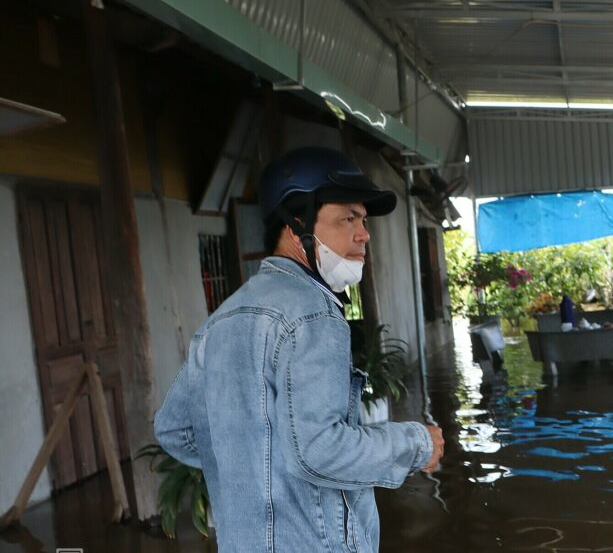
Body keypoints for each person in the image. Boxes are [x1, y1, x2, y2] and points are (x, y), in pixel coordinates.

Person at [154, 147, 444, 552]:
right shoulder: (314, 314)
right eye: (347, 218)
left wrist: (259, 470)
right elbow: (319, 450)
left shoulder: (220, 320)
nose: (364, 233)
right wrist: (416, 444)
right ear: (296, 226)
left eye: (363, 219)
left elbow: (175, 429)